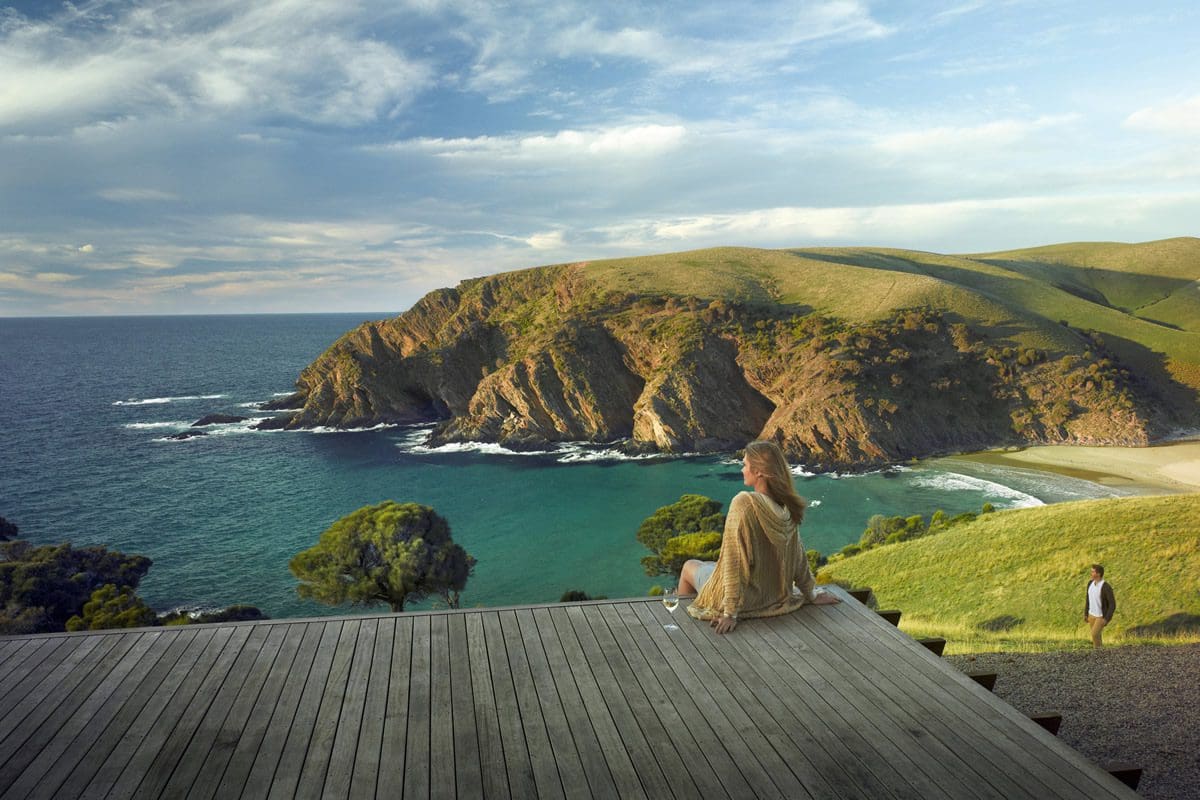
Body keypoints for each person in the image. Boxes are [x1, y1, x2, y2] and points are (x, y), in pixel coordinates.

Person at [680, 440, 839, 634]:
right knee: (711, 565)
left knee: (689, 566)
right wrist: (811, 594)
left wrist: (730, 613)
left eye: (745, 465)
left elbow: (735, 561)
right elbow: (799, 559)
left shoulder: (744, 503)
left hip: (742, 601)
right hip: (773, 597)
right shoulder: (787, 507)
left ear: (759, 472)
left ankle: (682, 629)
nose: (742, 469)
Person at [1084, 564, 1116, 648]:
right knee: (1097, 637)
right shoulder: (1090, 584)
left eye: (1093, 572)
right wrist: (1086, 613)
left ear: (1098, 574)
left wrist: (1106, 619)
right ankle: (1100, 655)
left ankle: (1098, 654)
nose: (1091, 573)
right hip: (1091, 615)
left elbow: (1112, 604)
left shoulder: (1106, 587)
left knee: (1094, 634)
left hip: (1100, 617)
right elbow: (1088, 599)